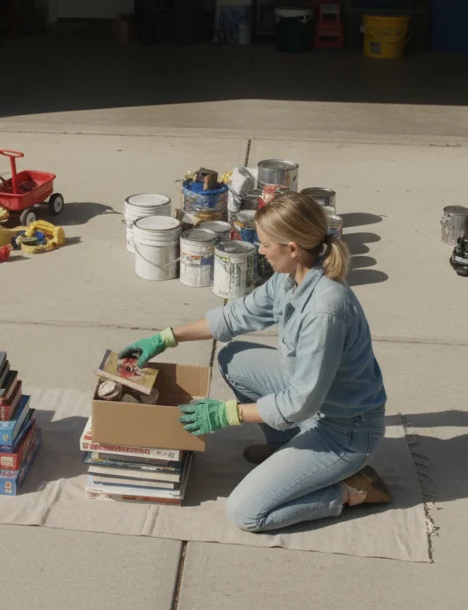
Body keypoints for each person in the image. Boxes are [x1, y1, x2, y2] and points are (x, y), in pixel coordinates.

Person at [119, 192, 389, 533]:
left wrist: (226, 414)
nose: (260, 251)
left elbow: (299, 403)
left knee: (246, 513)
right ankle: (285, 448)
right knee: (232, 357)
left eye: (265, 244)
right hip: (316, 403)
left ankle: (352, 489)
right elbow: (236, 316)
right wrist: (166, 338)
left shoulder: (325, 311)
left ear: (292, 248)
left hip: (344, 433)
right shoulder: (291, 277)